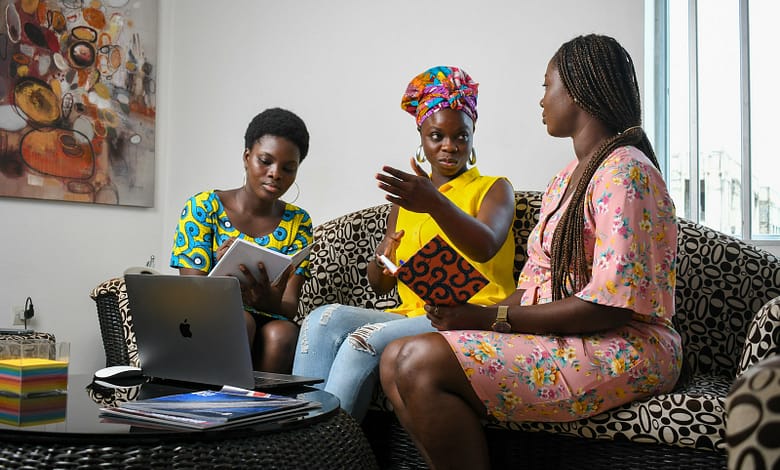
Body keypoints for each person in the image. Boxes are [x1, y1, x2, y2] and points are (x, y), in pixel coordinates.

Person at [379, 34, 683, 469]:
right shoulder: (565, 179)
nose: (542, 100)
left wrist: (491, 319)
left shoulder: (626, 173)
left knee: (416, 360)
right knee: (395, 359)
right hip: (572, 335)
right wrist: (466, 316)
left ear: (575, 91)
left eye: (547, 86)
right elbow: (537, 283)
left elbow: (611, 308)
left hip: (625, 345)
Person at [292, 65, 517, 421]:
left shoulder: (494, 188)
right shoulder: (407, 200)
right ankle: (299, 436)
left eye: (461, 136)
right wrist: (383, 260)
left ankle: (323, 448)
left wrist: (435, 202)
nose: (449, 146)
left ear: (474, 135)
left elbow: (486, 245)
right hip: (412, 314)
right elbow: (382, 283)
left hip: (469, 313)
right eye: (436, 136)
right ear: (421, 137)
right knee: (322, 319)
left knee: (360, 341)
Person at [170, 107, 312, 374]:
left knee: (282, 332)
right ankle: (223, 407)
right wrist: (223, 279)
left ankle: (265, 413)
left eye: (288, 168)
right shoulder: (203, 207)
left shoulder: (299, 222)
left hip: (268, 318)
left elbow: (289, 308)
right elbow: (190, 295)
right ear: (247, 157)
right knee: (241, 320)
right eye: (265, 161)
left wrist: (265, 297)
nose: (275, 173)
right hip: (207, 315)